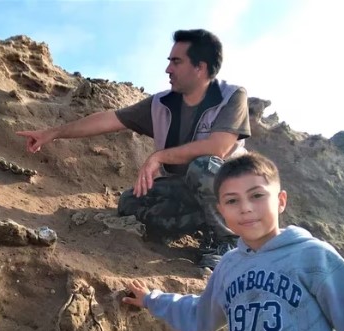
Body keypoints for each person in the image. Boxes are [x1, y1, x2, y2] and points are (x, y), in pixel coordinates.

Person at [122, 152, 344, 331]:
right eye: (232, 201)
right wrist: (150, 299)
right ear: (220, 211)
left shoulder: (314, 258)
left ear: (281, 201)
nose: (246, 208)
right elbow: (200, 315)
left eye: (257, 196)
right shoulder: (229, 266)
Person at [16, 29, 251, 269]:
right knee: (131, 202)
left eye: (176, 62)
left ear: (200, 67)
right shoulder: (162, 103)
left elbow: (218, 147)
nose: (168, 69)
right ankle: (202, 223)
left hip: (230, 189)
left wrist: (159, 156)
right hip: (184, 189)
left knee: (205, 166)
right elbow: (109, 119)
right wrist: (53, 133)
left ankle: (229, 240)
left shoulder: (231, 96)